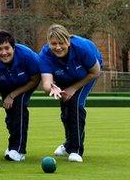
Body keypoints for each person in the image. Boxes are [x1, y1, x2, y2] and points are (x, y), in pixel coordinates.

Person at [39, 24, 102, 163]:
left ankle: (76, 150)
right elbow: (46, 84)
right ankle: (68, 144)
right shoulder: (45, 55)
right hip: (64, 76)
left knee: (75, 106)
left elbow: (95, 72)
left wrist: (73, 88)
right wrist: (52, 88)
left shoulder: (82, 48)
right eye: (53, 44)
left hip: (87, 74)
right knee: (65, 111)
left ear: (68, 41)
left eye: (61, 43)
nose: (58, 47)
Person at [0, 30, 41, 162]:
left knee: (19, 108)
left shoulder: (27, 55)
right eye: (0, 49)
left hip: (26, 84)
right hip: (6, 85)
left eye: (7, 48)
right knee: (10, 118)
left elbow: (35, 80)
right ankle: (13, 146)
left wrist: (12, 95)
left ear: (13, 47)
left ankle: (19, 150)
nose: (4, 53)